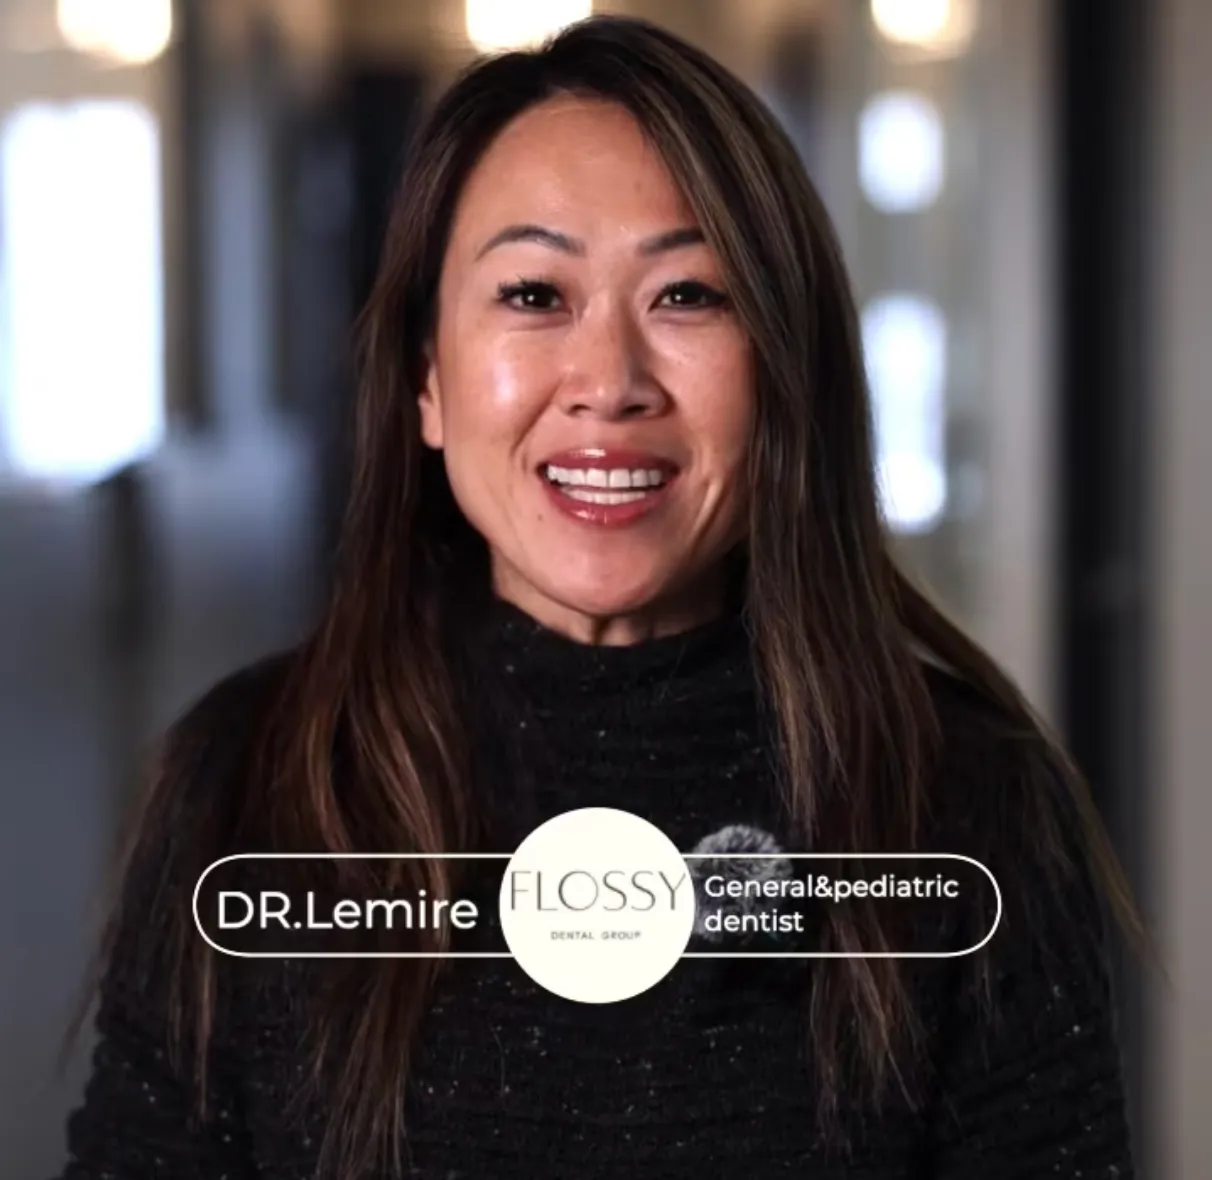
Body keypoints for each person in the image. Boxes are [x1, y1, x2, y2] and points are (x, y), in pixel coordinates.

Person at [58, 14, 1141, 1179]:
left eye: (688, 296)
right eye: (534, 293)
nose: (611, 383)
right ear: (427, 381)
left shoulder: (967, 805)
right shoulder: (247, 785)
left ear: (785, 372)